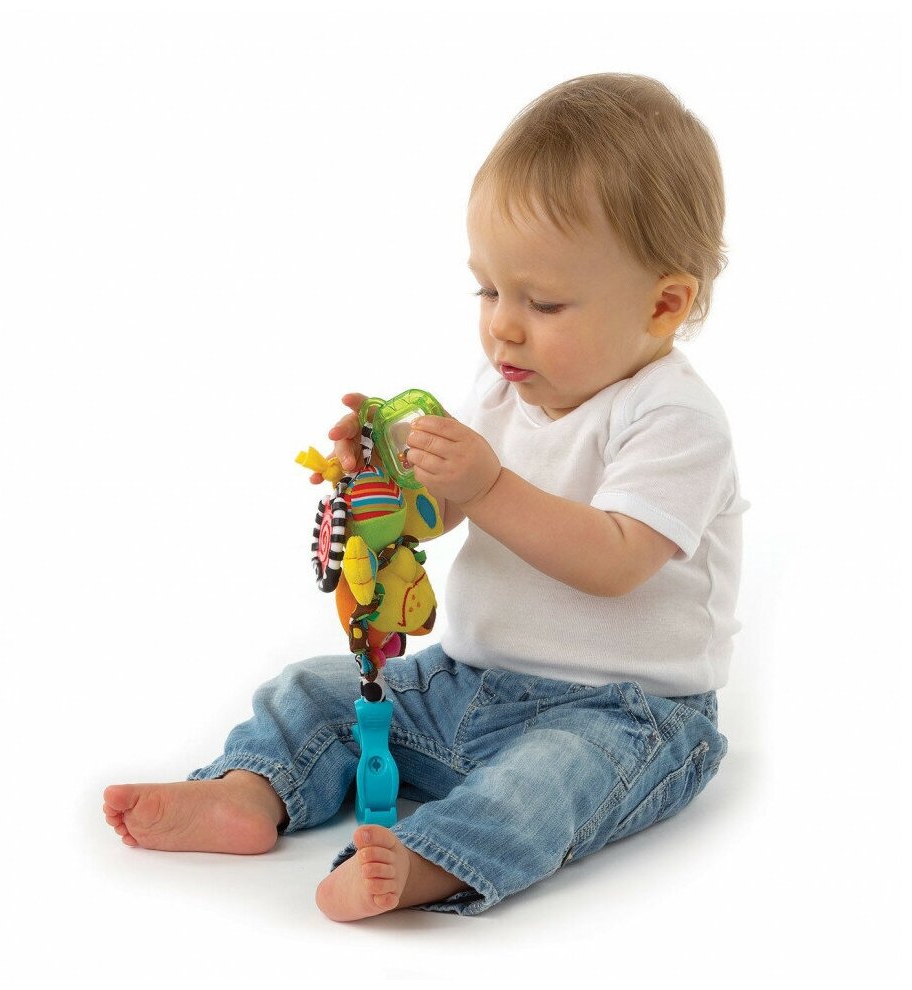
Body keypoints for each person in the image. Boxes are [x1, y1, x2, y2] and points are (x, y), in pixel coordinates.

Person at [103, 72, 748, 921]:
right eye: (489, 289)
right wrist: (384, 482)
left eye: (543, 302)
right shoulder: (504, 384)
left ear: (664, 305)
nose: (503, 325)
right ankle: (249, 792)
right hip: (465, 683)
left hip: (625, 715)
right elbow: (440, 514)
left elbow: (615, 562)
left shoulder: (674, 420)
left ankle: (430, 860)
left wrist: (489, 482)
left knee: (546, 783)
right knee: (316, 691)